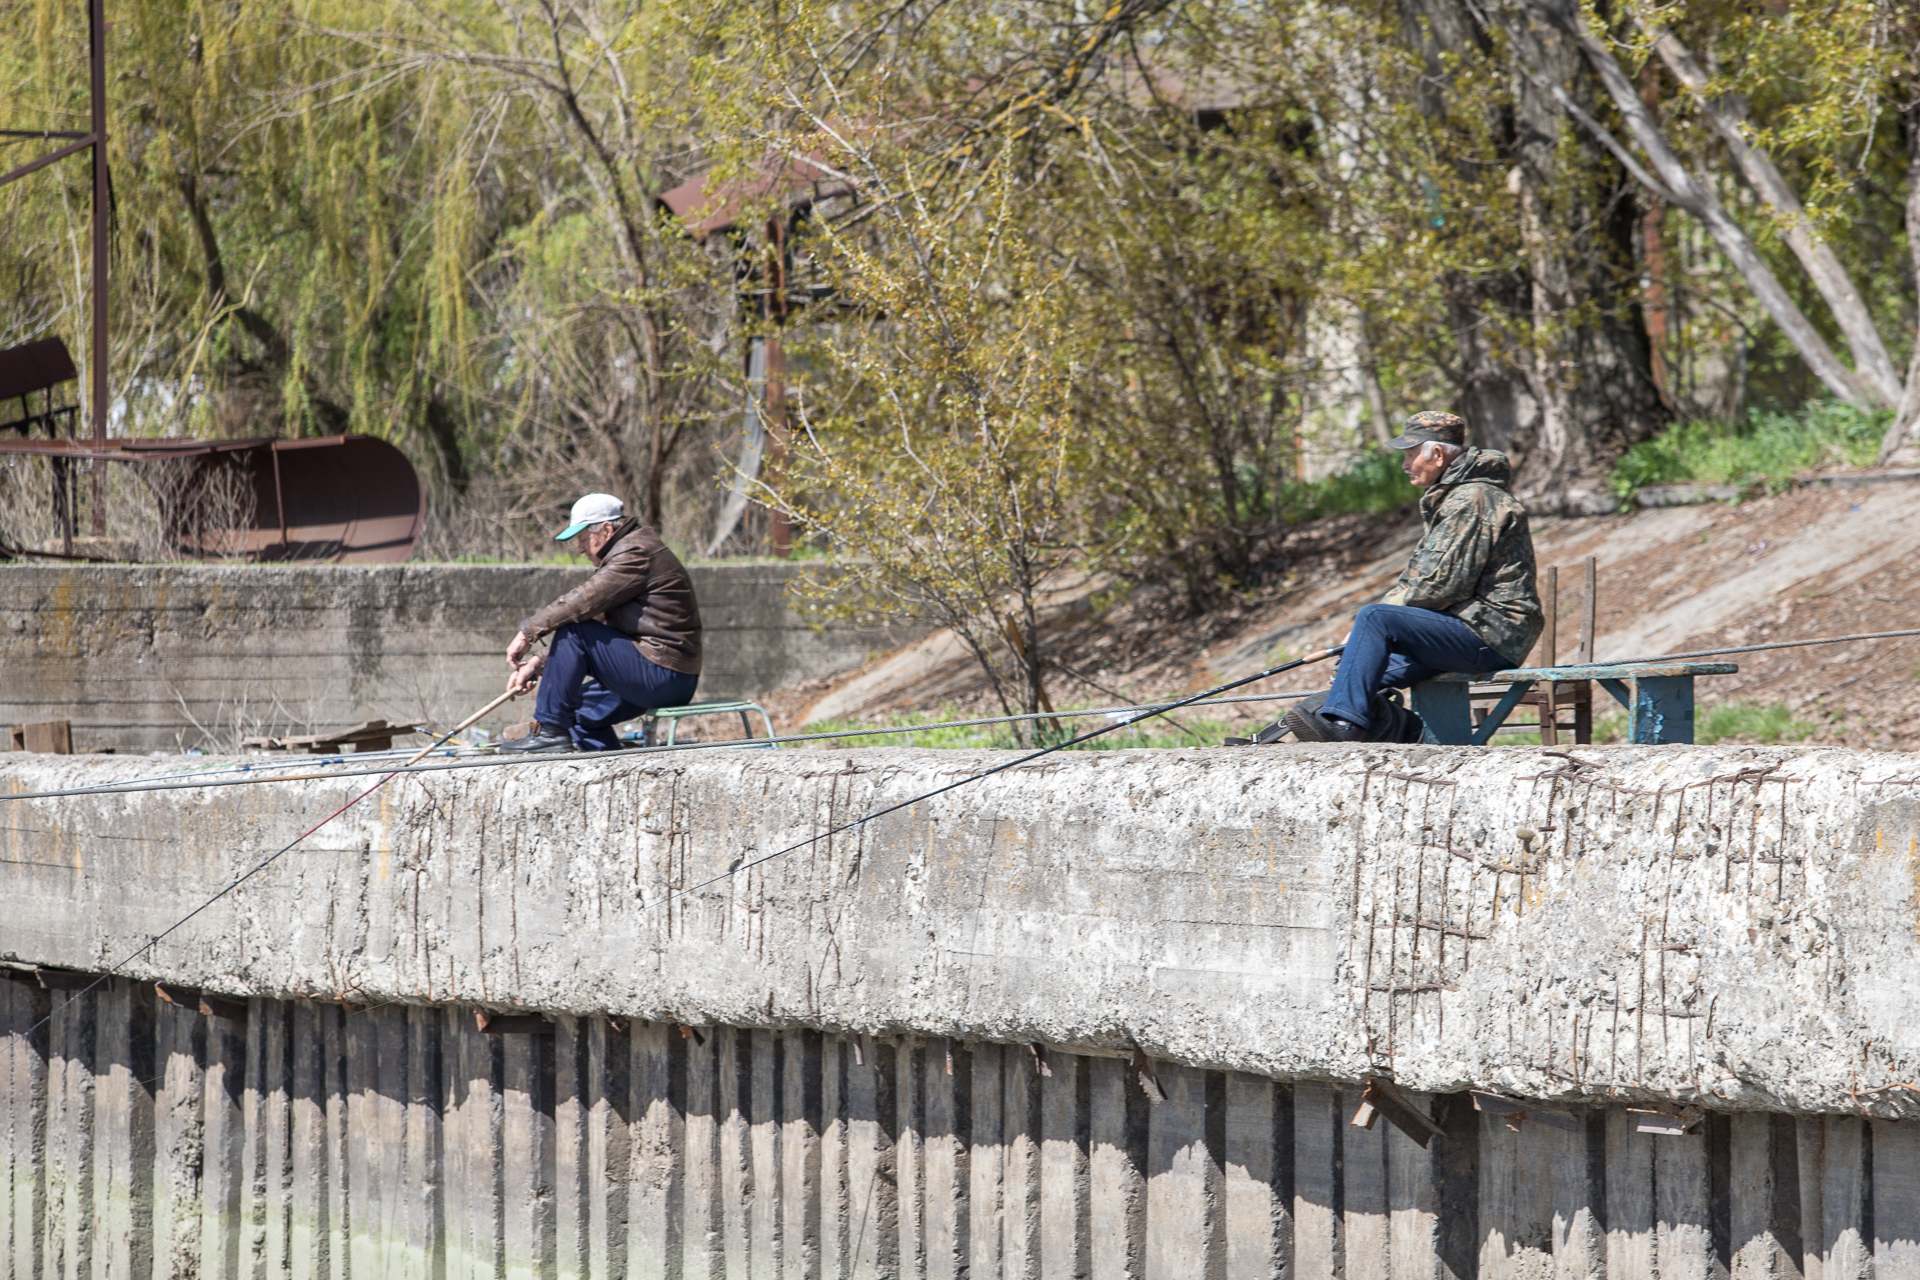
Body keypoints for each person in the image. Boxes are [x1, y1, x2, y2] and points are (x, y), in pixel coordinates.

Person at [1283, 411, 1542, 744]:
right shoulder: (1456, 497)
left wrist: (1369, 625)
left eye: (1410, 454)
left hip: (1492, 635)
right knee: (1357, 672)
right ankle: (1405, 729)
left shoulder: (1472, 500)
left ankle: (1345, 730)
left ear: (1436, 455)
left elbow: (1441, 585)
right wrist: (1361, 645)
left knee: (1375, 618)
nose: (1405, 464)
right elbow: (1421, 577)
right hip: (1471, 629)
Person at [500, 492, 703, 754]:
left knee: (573, 629)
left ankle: (549, 731)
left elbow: (582, 602)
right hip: (666, 676)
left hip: (664, 674)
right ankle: (613, 776)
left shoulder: (636, 552)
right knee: (579, 712)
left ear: (607, 529)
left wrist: (527, 632)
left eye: (583, 538)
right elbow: (594, 622)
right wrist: (538, 663)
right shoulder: (629, 553)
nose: (580, 548)